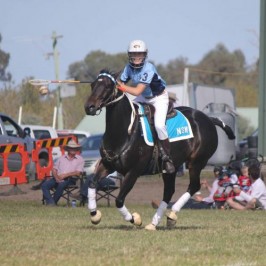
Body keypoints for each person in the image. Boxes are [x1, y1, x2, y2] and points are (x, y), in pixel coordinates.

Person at [116, 39, 175, 174]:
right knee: (129, 114)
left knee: (159, 125)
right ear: (129, 55)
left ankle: (167, 158)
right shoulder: (128, 68)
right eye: (134, 54)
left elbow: (136, 91)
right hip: (144, 98)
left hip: (158, 98)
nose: (137, 57)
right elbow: (121, 82)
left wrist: (121, 86)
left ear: (145, 55)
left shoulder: (149, 68)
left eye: (140, 54)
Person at [151, 165, 222, 209]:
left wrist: (202, 200)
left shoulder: (219, 182)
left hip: (209, 205)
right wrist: (207, 186)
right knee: (189, 201)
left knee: (189, 204)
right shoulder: (220, 181)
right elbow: (215, 193)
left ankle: (164, 206)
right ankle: (165, 204)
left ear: (215, 173)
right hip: (209, 203)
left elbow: (214, 197)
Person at [41, 140, 84, 206]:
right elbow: (54, 169)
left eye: (75, 148)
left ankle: (53, 202)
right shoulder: (61, 158)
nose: (73, 149)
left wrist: (65, 175)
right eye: (72, 148)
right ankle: (50, 202)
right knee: (44, 185)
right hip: (57, 178)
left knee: (61, 184)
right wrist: (56, 177)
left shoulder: (79, 159)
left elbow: (78, 173)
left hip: (70, 179)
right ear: (68, 149)